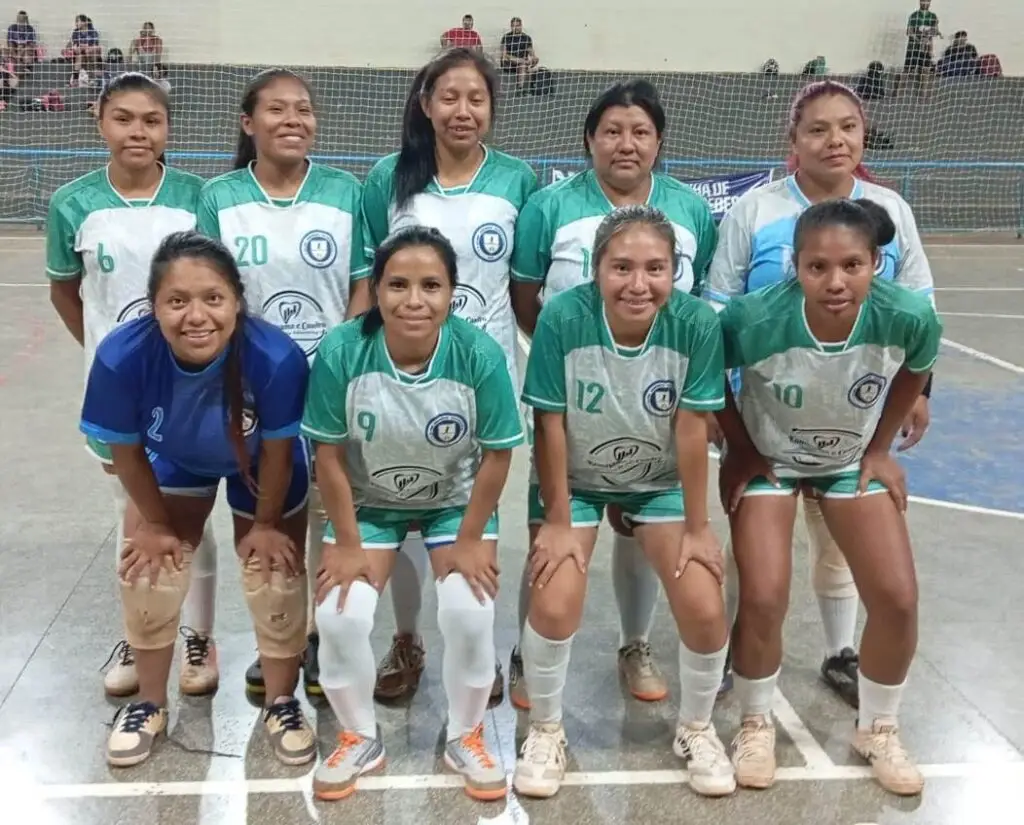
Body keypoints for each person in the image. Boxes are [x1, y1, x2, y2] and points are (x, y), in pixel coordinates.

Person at [705, 79, 935, 708]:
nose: (835, 140)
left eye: (848, 127)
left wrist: (920, 393)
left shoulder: (891, 208)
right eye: (818, 128)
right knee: (758, 547)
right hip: (766, 406)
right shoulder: (756, 210)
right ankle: (737, 648)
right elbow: (720, 305)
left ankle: (840, 652)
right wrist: (727, 419)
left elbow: (920, 308)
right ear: (794, 139)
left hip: (854, 404)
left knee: (840, 538)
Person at [715, 199, 940, 795]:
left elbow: (918, 368)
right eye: (818, 267)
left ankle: (879, 728)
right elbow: (705, 374)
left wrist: (880, 449)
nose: (836, 281)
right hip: (771, 458)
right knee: (763, 595)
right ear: (795, 267)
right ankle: (755, 722)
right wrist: (740, 448)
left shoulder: (908, 315)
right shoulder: (752, 318)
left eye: (851, 265)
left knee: (897, 598)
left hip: (848, 462)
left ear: (875, 264)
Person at [509, 79, 717, 709]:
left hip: (654, 404)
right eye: (612, 131)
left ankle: (635, 643)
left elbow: (693, 301)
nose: (626, 144)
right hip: (576, 396)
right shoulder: (548, 206)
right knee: (551, 543)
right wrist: (580, 355)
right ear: (589, 138)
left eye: (641, 132)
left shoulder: (690, 210)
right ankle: (525, 651)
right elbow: (526, 298)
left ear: (659, 141)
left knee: (640, 534)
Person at [514, 206, 734, 799]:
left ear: (675, 270)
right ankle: (546, 730)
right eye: (622, 268)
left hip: (658, 479)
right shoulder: (563, 317)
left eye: (655, 268)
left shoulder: (695, 323)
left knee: (705, 605)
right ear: (596, 269)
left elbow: (692, 428)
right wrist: (559, 520)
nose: (639, 284)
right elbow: (550, 422)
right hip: (576, 480)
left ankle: (697, 728)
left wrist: (698, 527)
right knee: (556, 599)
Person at [79, 231, 317, 767]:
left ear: (237, 300)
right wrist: (155, 525)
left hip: (262, 466)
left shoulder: (276, 358)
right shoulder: (122, 356)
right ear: (154, 306)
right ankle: (148, 704)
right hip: (177, 458)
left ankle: (282, 702)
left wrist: (265, 524)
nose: (196, 316)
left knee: (273, 574)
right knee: (150, 571)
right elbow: (127, 453)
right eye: (177, 301)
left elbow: (279, 453)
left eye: (213, 298)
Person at [303, 226, 524, 802]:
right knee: (340, 616)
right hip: (369, 502)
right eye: (398, 284)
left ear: (451, 292)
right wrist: (347, 542)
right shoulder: (342, 350)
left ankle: (466, 735)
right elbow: (328, 454)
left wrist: (471, 538)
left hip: (454, 502)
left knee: (470, 612)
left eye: (431, 285)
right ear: (376, 290)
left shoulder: (478, 353)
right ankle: (358, 737)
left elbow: (498, 453)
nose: (414, 300)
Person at [361, 47, 537, 703]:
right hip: (400, 376)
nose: (464, 110)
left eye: (477, 98)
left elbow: (524, 288)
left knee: (475, 511)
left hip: (484, 379)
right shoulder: (387, 178)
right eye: (450, 97)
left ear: (491, 107)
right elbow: (369, 281)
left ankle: (475, 649)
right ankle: (407, 638)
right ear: (426, 103)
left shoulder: (518, 180)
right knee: (404, 503)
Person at [197, 67, 372, 700]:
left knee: (329, 509)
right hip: (250, 385)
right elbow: (208, 287)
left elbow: (362, 282)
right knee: (267, 516)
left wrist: (340, 356)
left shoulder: (345, 190)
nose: (293, 119)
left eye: (303, 108)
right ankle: (280, 638)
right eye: (277, 109)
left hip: (328, 378)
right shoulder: (220, 196)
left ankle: (321, 636)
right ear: (249, 123)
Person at [46, 72, 220, 700]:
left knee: (189, 513)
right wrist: (112, 363)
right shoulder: (73, 203)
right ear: (100, 122)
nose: (138, 132)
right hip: (122, 395)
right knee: (135, 513)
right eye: (124, 118)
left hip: (191, 388)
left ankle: (199, 636)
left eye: (151, 120)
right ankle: (141, 630)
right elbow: (65, 293)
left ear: (168, 127)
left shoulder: (199, 198)